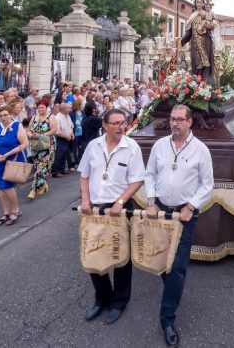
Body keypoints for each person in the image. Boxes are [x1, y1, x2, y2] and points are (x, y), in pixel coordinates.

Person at [144, 104, 214, 346]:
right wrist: (151, 202)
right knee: (164, 261)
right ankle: (174, 289)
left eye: (180, 120)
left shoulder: (201, 150)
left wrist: (191, 207)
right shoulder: (159, 146)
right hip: (161, 212)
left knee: (176, 267)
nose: (175, 123)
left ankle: (167, 320)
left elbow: (207, 185)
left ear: (190, 122)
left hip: (185, 215)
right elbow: (150, 174)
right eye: (172, 119)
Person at [79, 108, 145, 325]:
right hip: (94, 208)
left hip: (119, 208)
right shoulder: (93, 146)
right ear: (105, 125)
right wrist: (85, 200)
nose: (120, 127)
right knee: (93, 253)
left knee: (120, 256)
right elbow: (85, 176)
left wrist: (120, 202)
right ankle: (102, 297)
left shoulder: (131, 147)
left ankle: (119, 301)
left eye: (123, 123)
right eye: (115, 123)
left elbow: (137, 180)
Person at [0, 105, 29, 226]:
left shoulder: (17, 125)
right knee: (1, 186)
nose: (3, 117)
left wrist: (7, 154)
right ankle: (5, 213)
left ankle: (15, 210)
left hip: (13, 159)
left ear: (10, 114)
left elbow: (25, 144)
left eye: (5, 115)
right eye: (0, 116)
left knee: (7, 186)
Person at [27, 99, 57, 200]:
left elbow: (54, 131)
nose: (40, 109)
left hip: (47, 145)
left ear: (46, 107)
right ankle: (43, 185)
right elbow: (29, 129)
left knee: (42, 167)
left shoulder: (51, 117)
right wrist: (30, 135)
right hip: (35, 146)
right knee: (37, 166)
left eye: (42, 107)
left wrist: (41, 135)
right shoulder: (34, 117)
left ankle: (33, 190)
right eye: (39, 107)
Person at [52, 103, 74, 178]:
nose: (69, 110)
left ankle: (62, 169)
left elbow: (71, 125)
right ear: (63, 109)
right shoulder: (57, 118)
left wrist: (72, 134)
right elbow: (57, 132)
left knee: (64, 154)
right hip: (60, 138)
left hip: (67, 137)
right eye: (68, 108)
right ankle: (56, 171)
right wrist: (66, 136)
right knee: (59, 154)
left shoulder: (67, 116)